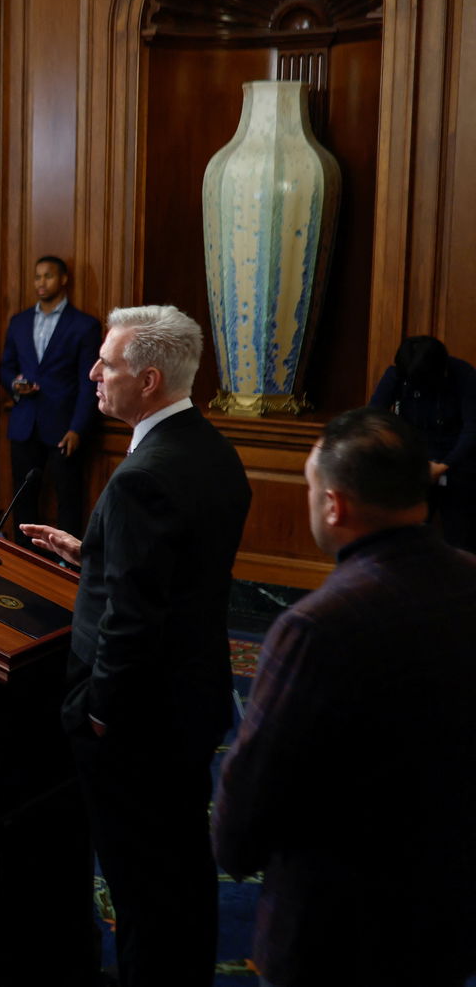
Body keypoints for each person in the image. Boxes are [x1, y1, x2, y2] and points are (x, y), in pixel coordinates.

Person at [21, 305, 251, 987]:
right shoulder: (212, 450)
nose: (93, 373)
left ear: (148, 380)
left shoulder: (141, 478)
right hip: (193, 697)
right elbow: (177, 572)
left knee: (143, 883)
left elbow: (132, 619)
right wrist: (93, 553)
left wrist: (99, 709)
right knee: (181, 864)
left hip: (136, 721)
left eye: (108, 364)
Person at [212, 407, 476, 987]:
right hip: (449, 913)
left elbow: (247, 805)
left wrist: (232, 849)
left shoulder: (316, 627)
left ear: (333, 505)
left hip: (335, 932)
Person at [0, 254, 101, 541]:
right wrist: (15, 385)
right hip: (24, 422)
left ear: (63, 279)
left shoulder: (84, 325)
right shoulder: (19, 322)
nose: (41, 282)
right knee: (23, 495)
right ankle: (23, 557)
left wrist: (77, 428)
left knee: (68, 497)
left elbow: (88, 381)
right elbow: (6, 367)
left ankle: (65, 564)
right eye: (37, 276)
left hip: (63, 426)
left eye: (48, 276)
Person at [369, 334, 476, 551]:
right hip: (413, 460)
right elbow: (372, 418)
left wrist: (443, 466)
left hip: (458, 460)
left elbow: (472, 429)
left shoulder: (463, 375)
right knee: (404, 537)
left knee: (461, 537)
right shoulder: (399, 374)